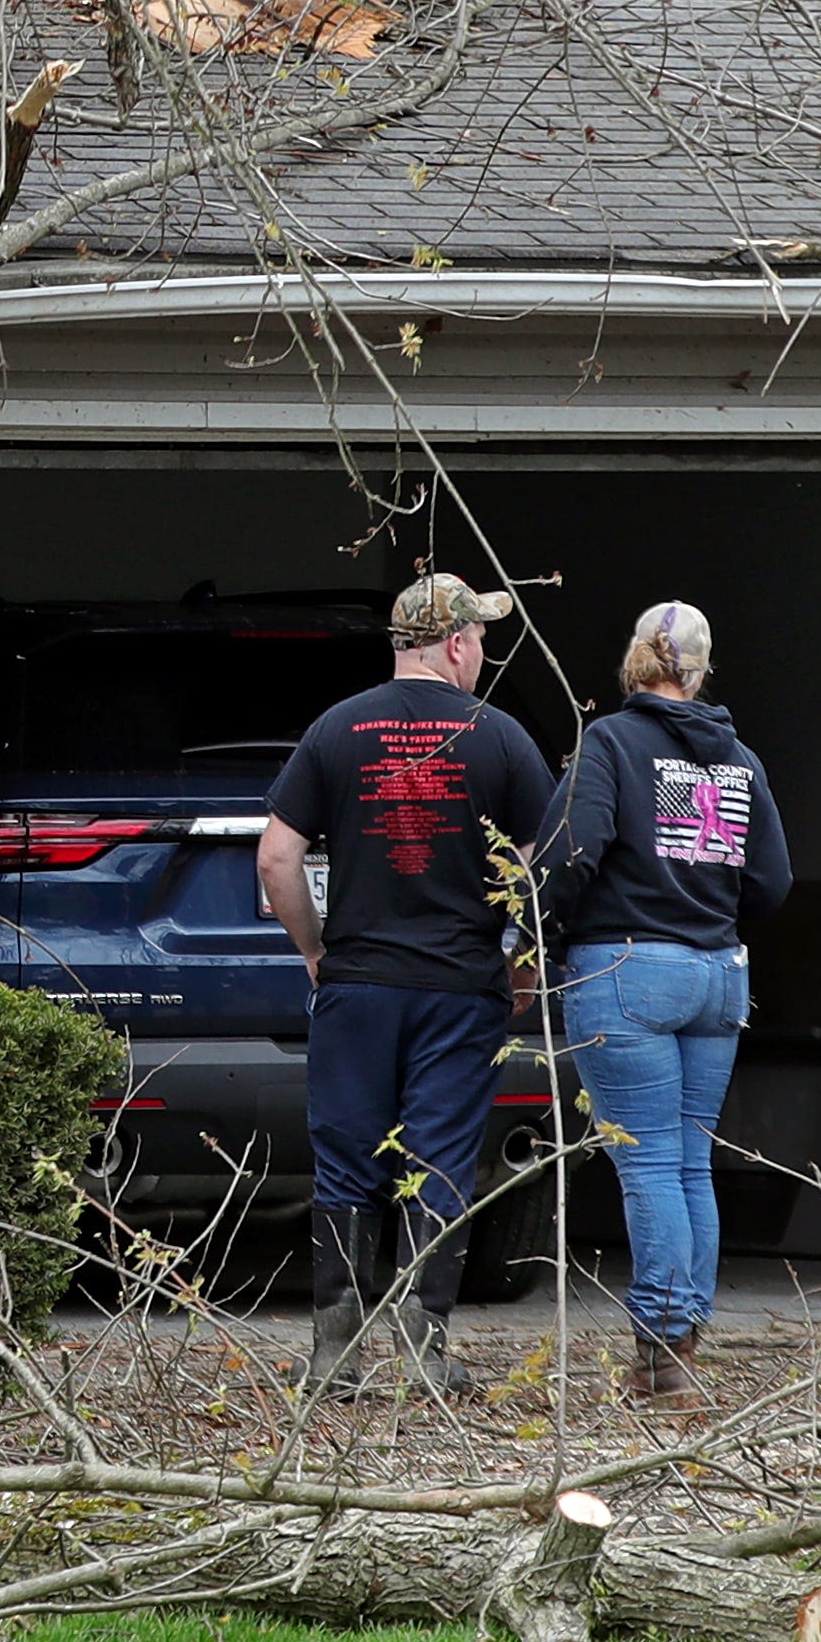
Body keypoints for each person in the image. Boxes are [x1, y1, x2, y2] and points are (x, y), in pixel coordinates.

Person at [260, 572, 562, 1399]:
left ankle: (334, 1358)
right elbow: (543, 870)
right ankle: (425, 1361)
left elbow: (275, 857)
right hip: (460, 990)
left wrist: (315, 951)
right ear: (457, 644)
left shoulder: (335, 728)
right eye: (481, 641)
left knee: (347, 1163)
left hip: (358, 987)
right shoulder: (499, 737)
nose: (482, 655)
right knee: (438, 1162)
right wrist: (522, 964)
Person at [535, 603, 791, 1402]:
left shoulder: (610, 742)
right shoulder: (740, 759)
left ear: (633, 663)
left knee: (644, 1164)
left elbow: (569, 850)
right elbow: (773, 883)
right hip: (718, 974)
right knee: (687, 1164)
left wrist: (536, 926)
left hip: (628, 969)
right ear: (700, 668)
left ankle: (659, 1351)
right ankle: (680, 1342)